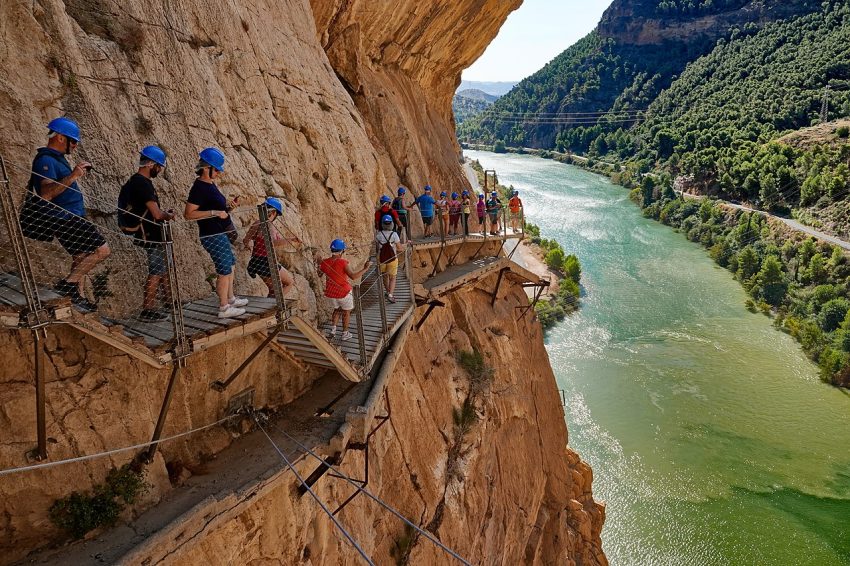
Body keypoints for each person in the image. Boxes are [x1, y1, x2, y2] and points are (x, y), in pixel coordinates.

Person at [28, 117, 110, 309]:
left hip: (70, 216)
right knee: (102, 250)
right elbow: (46, 193)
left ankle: (77, 297)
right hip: (64, 217)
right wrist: (73, 175)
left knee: (80, 256)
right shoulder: (46, 160)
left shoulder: (57, 159)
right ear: (60, 138)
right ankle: (67, 284)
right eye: (73, 141)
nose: (75, 145)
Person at [183, 147, 248, 319]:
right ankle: (224, 307)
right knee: (224, 270)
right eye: (217, 169)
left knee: (230, 264)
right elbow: (188, 214)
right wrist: (213, 212)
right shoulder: (199, 188)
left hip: (218, 233)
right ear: (206, 168)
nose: (219, 172)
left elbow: (218, 210)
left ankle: (231, 299)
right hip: (211, 235)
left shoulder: (210, 184)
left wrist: (227, 208)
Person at [117, 145, 175, 322]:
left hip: (151, 233)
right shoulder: (143, 184)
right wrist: (168, 215)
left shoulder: (136, 181)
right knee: (156, 271)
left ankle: (169, 302)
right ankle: (147, 310)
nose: (159, 169)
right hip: (151, 234)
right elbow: (157, 214)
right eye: (159, 166)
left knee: (164, 269)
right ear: (150, 164)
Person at [243, 197, 300, 299]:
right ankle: (276, 306)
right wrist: (290, 240)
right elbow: (273, 243)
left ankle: (272, 308)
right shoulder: (269, 226)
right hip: (267, 263)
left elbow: (246, 240)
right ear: (273, 213)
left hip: (255, 262)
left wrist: (250, 246)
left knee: (273, 290)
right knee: (290, 282)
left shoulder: (256, 223)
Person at [317, 239, 371, 340]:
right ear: (342, 251)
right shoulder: (342, 262)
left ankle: (333, 330)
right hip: (344, 292)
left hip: (331, 293)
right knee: (346, 312)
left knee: (337, 310)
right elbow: (353, 276)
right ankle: (345, 333)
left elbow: (319, 274)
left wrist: (319, 262)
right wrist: (366, 268)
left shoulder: (324, 262)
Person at [375, 214, 405, 303]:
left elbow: (377, 248)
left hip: (382, 259)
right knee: (392, 278)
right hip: (392, 259)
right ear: (391, 223)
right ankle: (390, 295)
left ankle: (387, 291)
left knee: (385, 277)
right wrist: (406, 245)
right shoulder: (394, 234)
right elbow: (399, 248)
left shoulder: (378, 235)